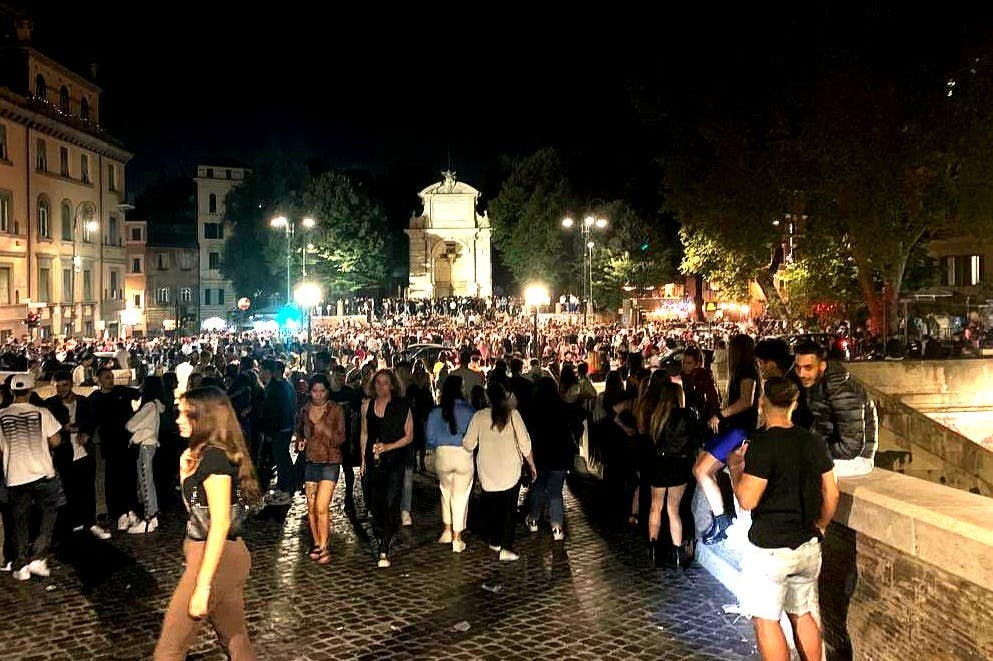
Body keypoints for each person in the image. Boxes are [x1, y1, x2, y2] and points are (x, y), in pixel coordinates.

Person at [727, 377, 840, 661]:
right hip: (807, 544)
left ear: (763, 404)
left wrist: (735, 469)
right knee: (802, 614)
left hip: (770, 549)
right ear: (794, 403)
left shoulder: (763, 445)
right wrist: (822, 525)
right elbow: (832, 493)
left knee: (766, 620)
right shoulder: (813, 441)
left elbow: (747, 500)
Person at [153, 387, 260, 660]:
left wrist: (203, 585)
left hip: (217, 557)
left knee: (169, 651)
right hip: (214, 555)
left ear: (205, 418)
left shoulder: (215, 458)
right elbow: (194, 512)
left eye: (185, 414)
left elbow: (221, 522)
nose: (178, 419)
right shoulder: (198, 455)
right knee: (236, 640)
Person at [693, 333, 758, 545]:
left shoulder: (747, 371)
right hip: (731, 429)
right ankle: (720, 516)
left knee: (702, 471)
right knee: (700, 468)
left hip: (737, 431)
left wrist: (721, 414)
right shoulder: (742, 371)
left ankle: (721, 519)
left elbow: (746, 401)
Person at [462, 382, 536, 562]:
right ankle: (506, 547)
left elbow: (468, 444)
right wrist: (532, 465)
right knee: (509, 509)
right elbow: (525, 443)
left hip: (488, 470)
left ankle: (494, 540)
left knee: (493, 507)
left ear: (487, 398)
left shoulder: (479, 417)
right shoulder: (513, 415)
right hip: (511, 469)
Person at [0, 373, 63, 581]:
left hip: (15, 475)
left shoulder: (1, 416)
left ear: (11, 391)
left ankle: (21, 563)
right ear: (30, 391)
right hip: (43, 472)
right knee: (48, 516)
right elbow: (56, 441)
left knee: (19, 521)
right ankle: (37, 556)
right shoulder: (42, 413)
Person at [794, 341, 877, 477]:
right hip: (836, 454)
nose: (801, 374)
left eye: (808, 367)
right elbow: (820, 429)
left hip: (857, 460)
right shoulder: (817, 383)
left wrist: (813, 452)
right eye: (798, 368)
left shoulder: (843, 392)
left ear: (822, 366)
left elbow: (851, 448)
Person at [360, 369, 414, 568]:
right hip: (374, 461)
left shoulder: (402, 406)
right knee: (375, 503)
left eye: (385, 383)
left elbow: (409, 436)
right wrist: (363, 459)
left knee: (391, 502)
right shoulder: (368, 405)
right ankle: (382, 532)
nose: (381, 386)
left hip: (394, 461)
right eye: (378, 382)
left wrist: (389, 447)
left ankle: (384, 547)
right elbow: (364, 434)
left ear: (392, 385)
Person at [46, 371, 109, 540]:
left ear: (71, 384)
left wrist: (85, 431)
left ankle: (90, 522)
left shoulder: (83, 402)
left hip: (83, 452)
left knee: (88, 488)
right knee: (67, 491)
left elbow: (93, 420)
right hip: (63, 453)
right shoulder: (50, 405)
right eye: (57, 386)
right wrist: (62, 429)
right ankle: (72, 525)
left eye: (64, 385)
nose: (61, 389)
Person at [295, 374, 346, 565]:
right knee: (311, 506)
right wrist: (300, 442)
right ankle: (317, 543)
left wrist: (325, 429)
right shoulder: (305, 410)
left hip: (330, 461)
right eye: (314, 391)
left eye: (322, 391)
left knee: (321, 506)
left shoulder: (335, 410)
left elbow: (340, 438)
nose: (318, 395)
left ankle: (324, 546)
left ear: (327, 391)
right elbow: (300, 433)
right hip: (311, 461)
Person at [645, 380, 694, 568]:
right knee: (673, 510)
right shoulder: (685, 416)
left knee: (655, 507)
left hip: (658, 463)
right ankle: (677, 554)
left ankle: (653, 548)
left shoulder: (656, 416)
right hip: (678, 464)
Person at [424, 375, 475, 553]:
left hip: (442, 454)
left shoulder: (435, 411)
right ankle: (457, 537)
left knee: (445, 491)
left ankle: (447, 530)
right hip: (463, 454)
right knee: (461, 495)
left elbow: (429, 438)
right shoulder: (469, 410)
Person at [524, 377, 578, 541]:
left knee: (538, 488)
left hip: (539, 455)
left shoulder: (532, 409)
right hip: (559, 456)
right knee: (556, 492)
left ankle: (533, 519)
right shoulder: (562, 407)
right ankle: (557, 527)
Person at [88, 367, 141, 531]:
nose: (110, 380)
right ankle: (117, 512)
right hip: (109, 444)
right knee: (113, 478)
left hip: (126, 441)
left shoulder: (121, 391)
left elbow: (139, 395)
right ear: (98, 380)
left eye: (111, 377)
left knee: (129, 476)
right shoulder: (95, 398)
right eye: (106, 377)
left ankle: (131, 509)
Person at [125, 376, 166, 534]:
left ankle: (150, 517)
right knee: (147, 480)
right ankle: (151, 516)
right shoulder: (157, 405)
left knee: (145, 480)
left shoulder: (149, 406)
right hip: (150, 445)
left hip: (145, 446)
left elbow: (131, 425)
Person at [258, 359, 297, 505]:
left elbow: (272, 410)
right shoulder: (286, 386)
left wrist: (269, 429)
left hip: (279, 428)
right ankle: (285, 484)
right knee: (282, 456)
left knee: (281, 457)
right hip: (285, 427)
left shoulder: (277, 387)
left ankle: (285, 486)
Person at [326, 365, 362, 513]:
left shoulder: (349, 392)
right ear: (332, 375)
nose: (340, 380)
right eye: (337, 376)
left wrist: (353, 438)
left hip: (346, 436)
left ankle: (348, 496)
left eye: (342, 377)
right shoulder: (327, 393)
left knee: (347, 468)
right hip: (329, 437)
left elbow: (355, 415)